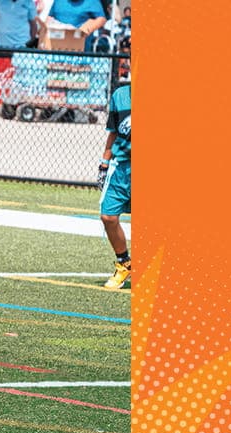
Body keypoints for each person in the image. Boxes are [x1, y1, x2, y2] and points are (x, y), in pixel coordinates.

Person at [98, 82, 130, 289]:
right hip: (121, 167)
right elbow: (113, 132)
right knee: (108, 216)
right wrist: (104, 162)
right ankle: (124, 263)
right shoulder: (120, 95)